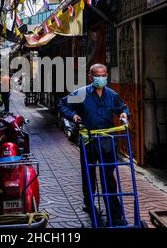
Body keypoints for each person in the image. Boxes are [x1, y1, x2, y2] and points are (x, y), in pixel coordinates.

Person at [58, 63, 129, 226]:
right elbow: (62, 104)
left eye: (104, 75)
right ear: (91, 77)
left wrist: (124, 113)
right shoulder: (81, 94)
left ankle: (115, 215)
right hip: (89, 141)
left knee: (108, 178)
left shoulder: (111, 94)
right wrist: (73, 116)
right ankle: (89, 204)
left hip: (107, 142)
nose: (101, 78)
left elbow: (122, 108)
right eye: (98, 75)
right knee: (89, 174)